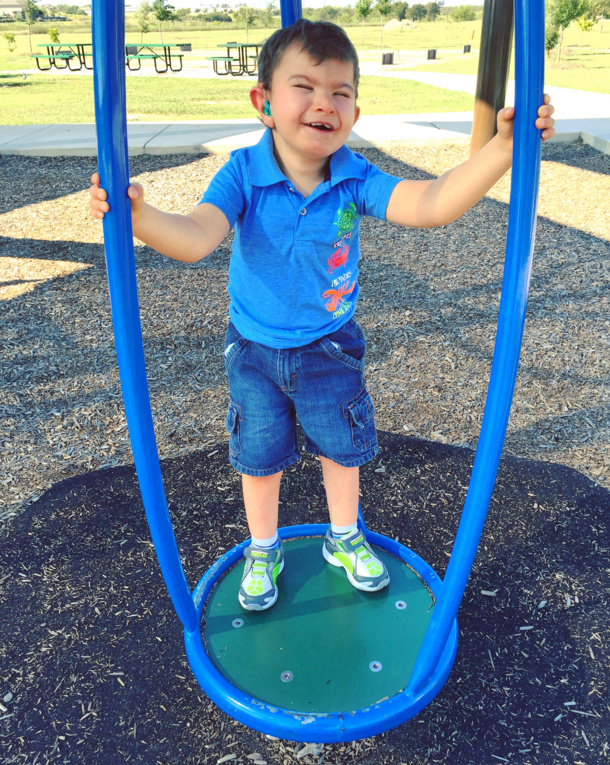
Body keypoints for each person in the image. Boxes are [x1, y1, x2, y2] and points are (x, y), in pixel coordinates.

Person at [89, 19, 555, 612]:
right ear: (264, 103)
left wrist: (502, 150)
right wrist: (141, 218)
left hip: (329, 346)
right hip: (254, 350)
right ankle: (264, 546)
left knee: (341, 447)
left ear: (354, 114)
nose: (323, 103)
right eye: (304, 87)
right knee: (257, 457)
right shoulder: (242, 175)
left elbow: (431, 204)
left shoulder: (353, 177)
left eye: (340, 92)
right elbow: (196, 238)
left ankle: (344, 535)